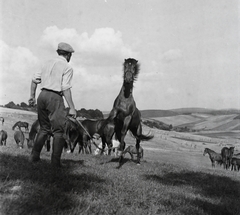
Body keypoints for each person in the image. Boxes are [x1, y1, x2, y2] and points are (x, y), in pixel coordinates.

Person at [28, 42, 77, 167]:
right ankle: (56, 163)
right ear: (68, 55)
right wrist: (72, 107)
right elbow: (65, 88)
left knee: (44, 128)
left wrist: (32, 96)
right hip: (54, 98)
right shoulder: (67, 67)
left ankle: (34, 156)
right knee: (58, 131)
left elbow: (34, 80)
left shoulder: (46, 62)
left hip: (42, 96)